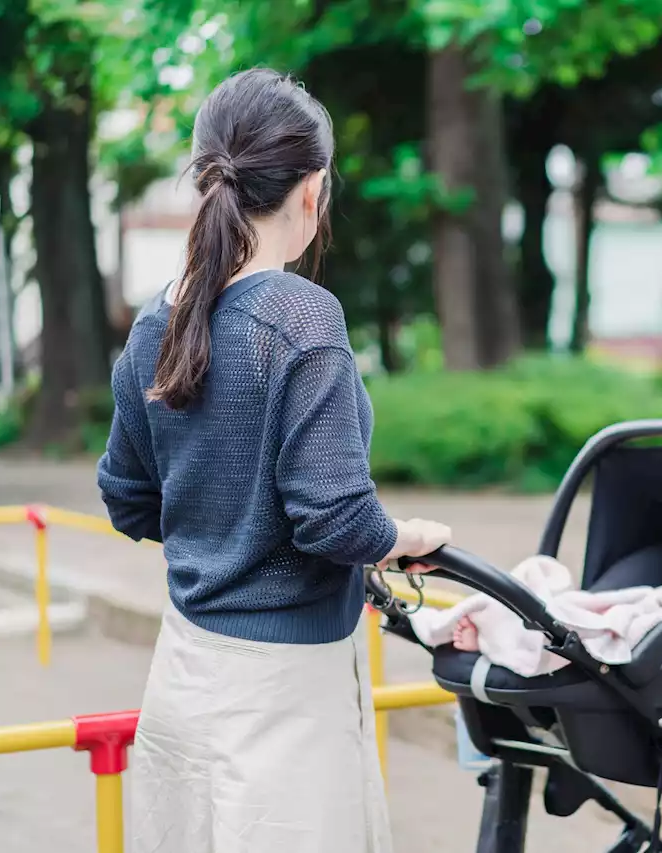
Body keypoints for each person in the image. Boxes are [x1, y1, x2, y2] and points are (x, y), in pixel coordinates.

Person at [96, 68, 450, 853]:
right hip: (285, 692)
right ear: (312, 189)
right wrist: (404, 534)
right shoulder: (301, 316)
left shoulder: (159, 319)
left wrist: (222, 530)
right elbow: (335, 516)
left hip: (184, 672)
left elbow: (125, 496)